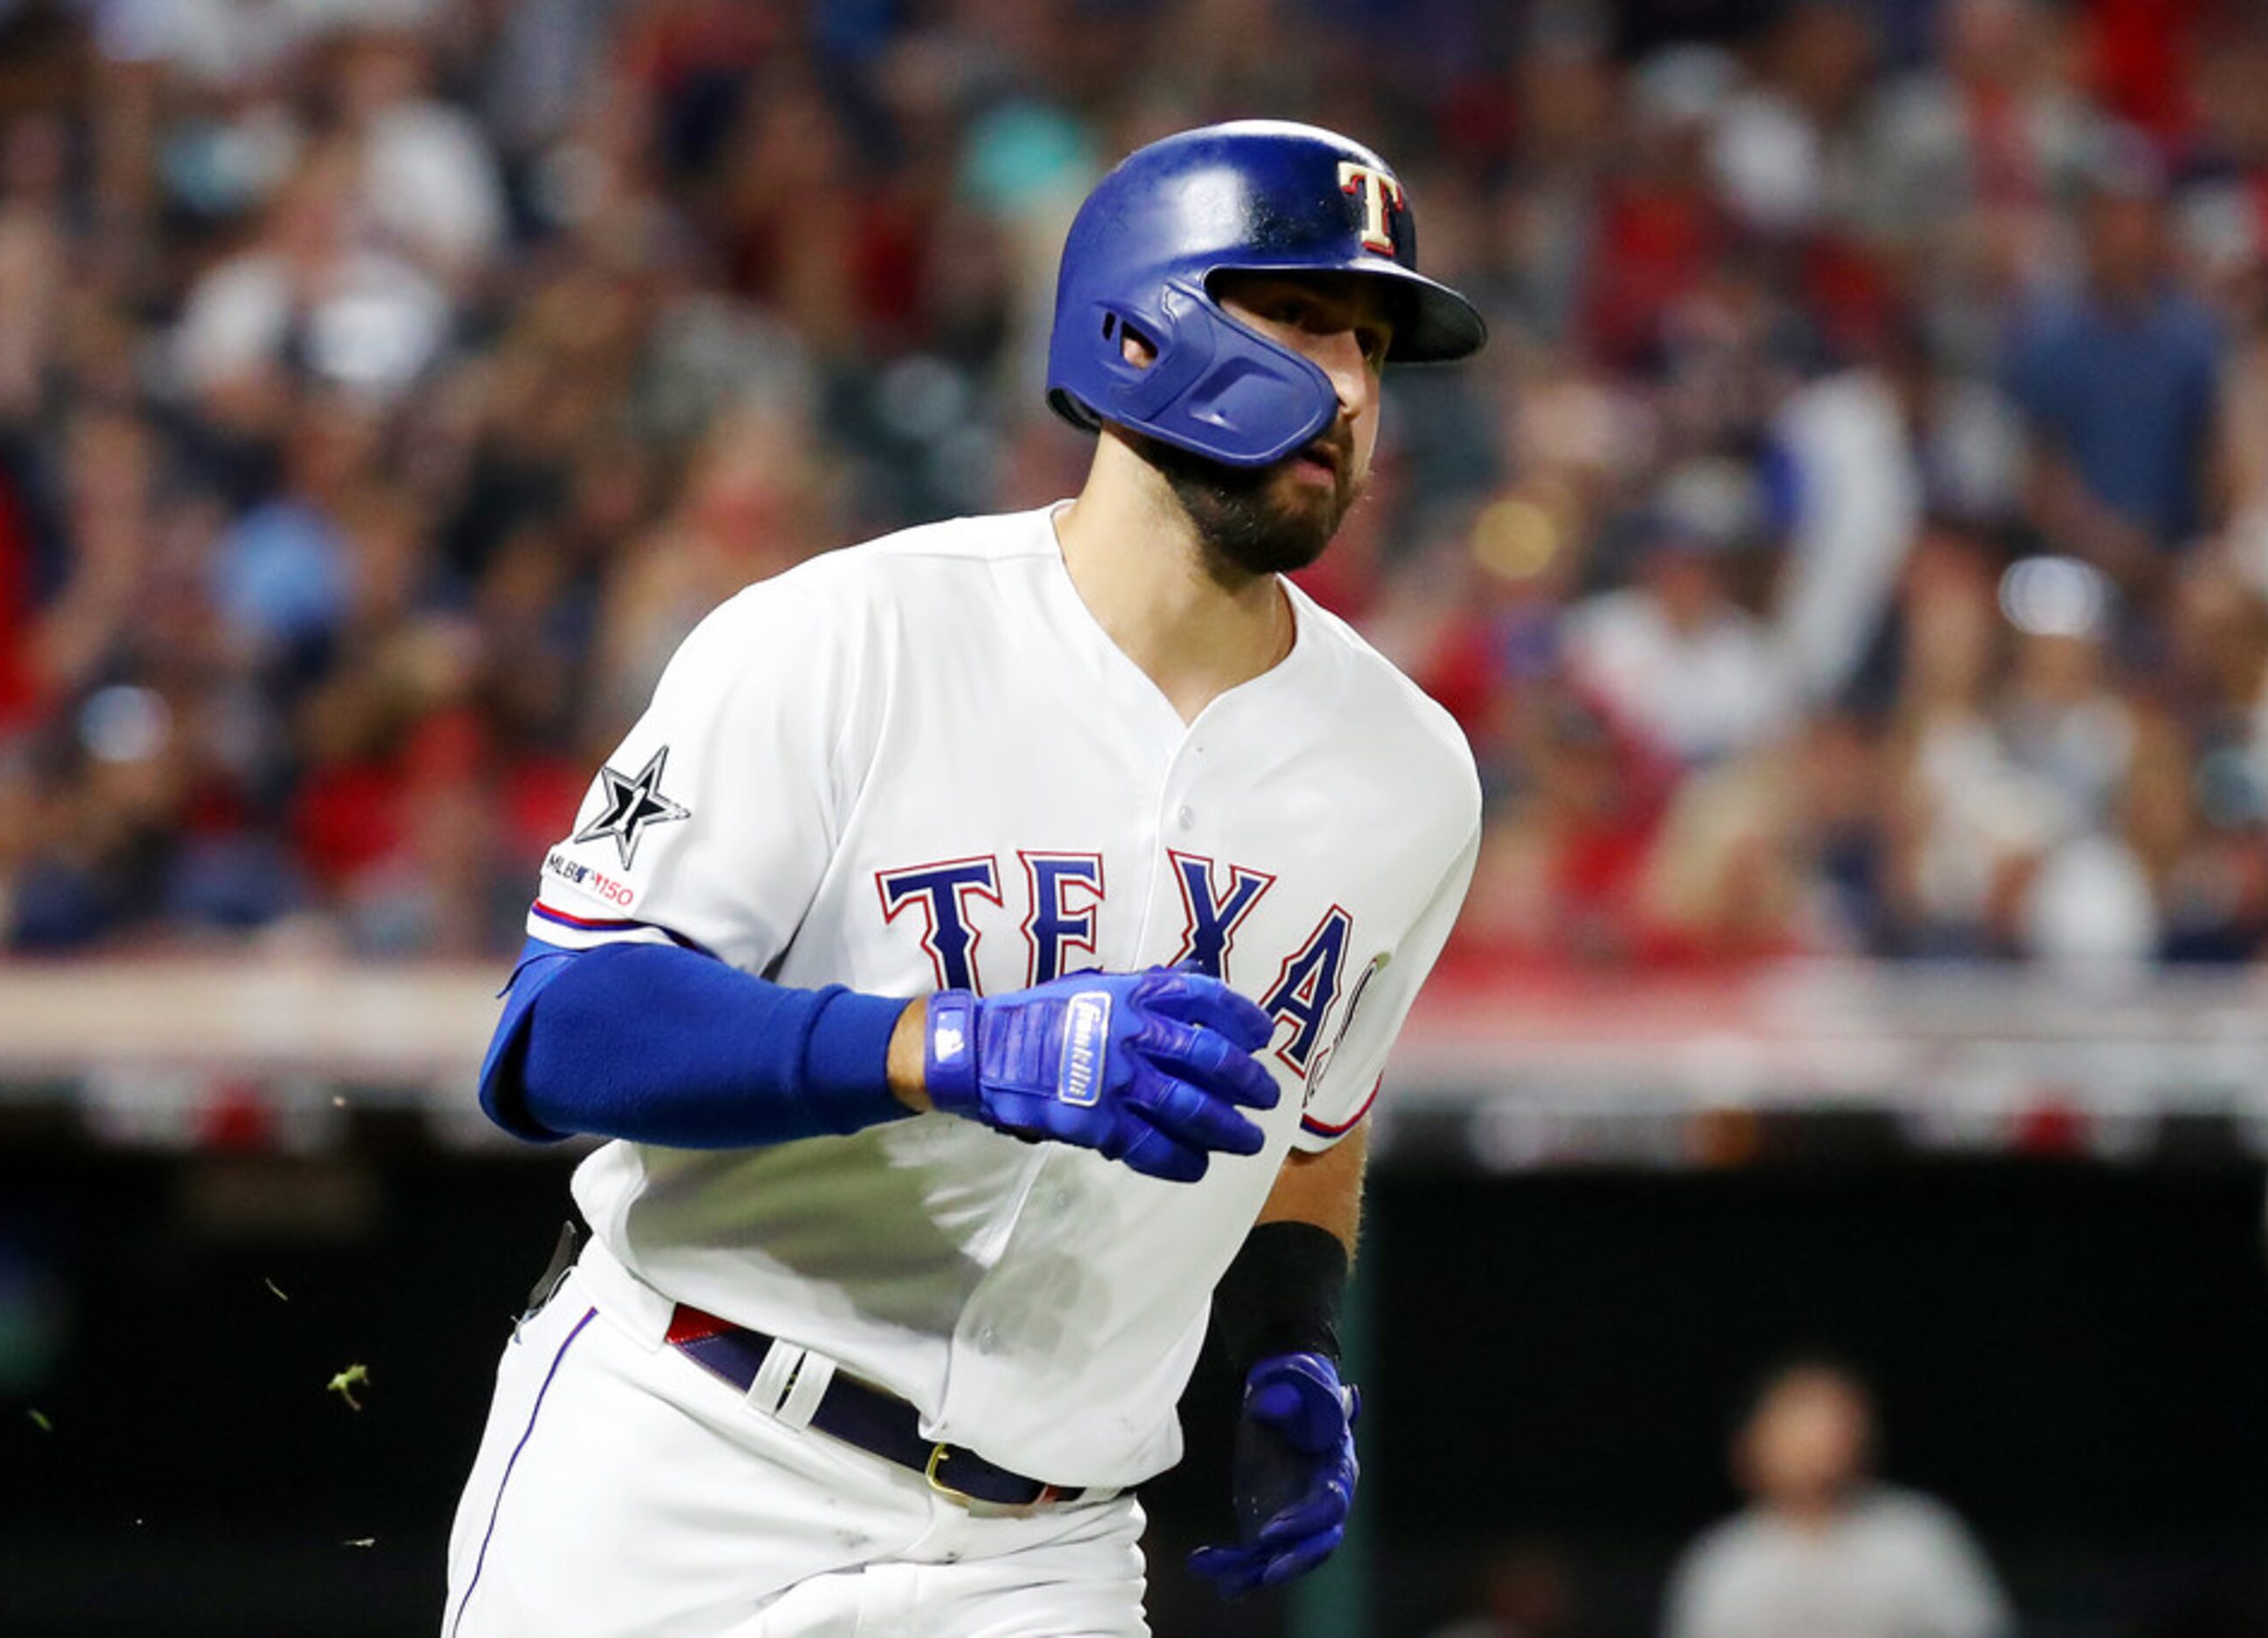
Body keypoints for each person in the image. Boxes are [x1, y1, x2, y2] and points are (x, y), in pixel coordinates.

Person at [439, 120, 1487, 1635]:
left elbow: (1316, 1118)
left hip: (1038, 1553)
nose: (1348, 387)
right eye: (1305, 317)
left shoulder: (1411, 772)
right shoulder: (848, 635)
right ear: (1137, 323)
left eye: (1377, 347)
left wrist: (1287, 1337)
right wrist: (951, 1046)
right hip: (688, 1455)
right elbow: (558, 1032)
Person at [1663, 1361, 2012, 1638]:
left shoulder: (1918, 1535)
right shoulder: (1724, 1559)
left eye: (1835, 1421)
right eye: (1799, 1421)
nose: (1820, 1440)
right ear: (1756, 1440)